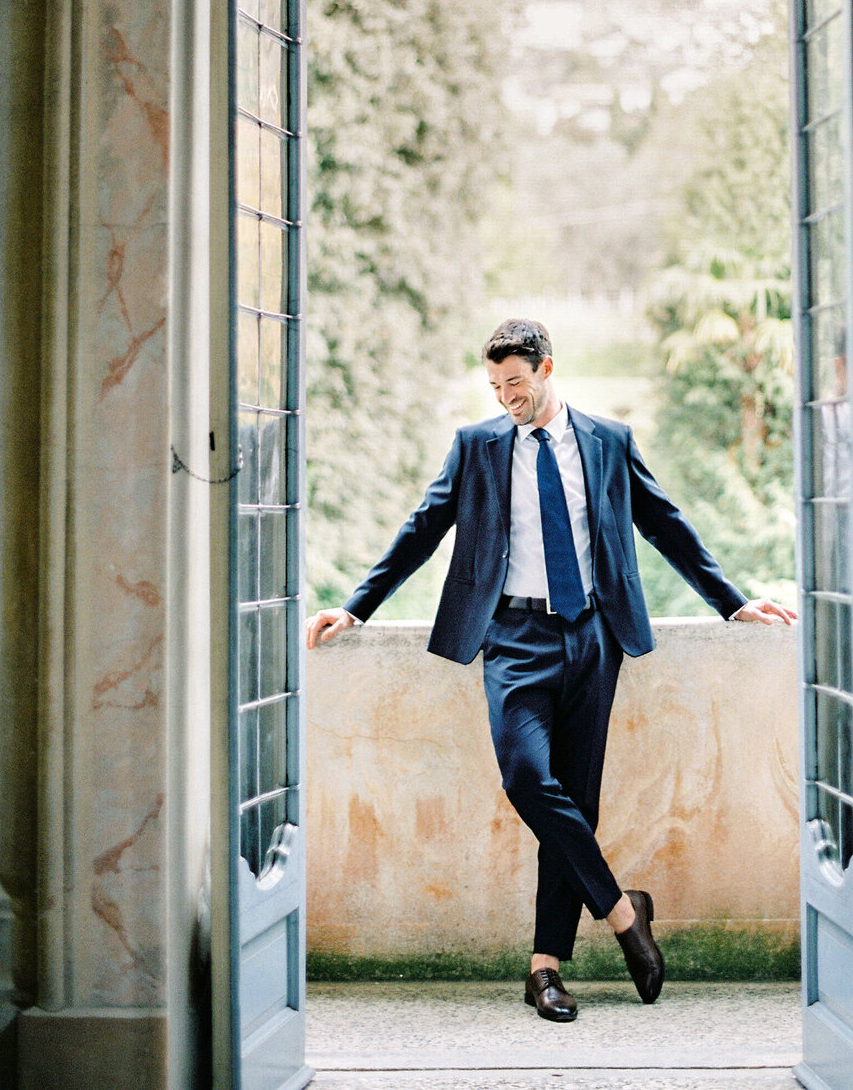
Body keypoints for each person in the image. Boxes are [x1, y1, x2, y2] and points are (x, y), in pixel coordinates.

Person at [306, 317, 796, 1023]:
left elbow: (664, 522)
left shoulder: (607, 441)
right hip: (513, 635)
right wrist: (357, 608)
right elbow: (423, 525)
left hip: (594, 633)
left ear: (546, 370)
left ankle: (545, 969)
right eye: (496, 385)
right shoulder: (476, 447)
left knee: (577, 803)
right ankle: (627, 914)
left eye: (516, 381)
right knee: (528, 779)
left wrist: (732, 601)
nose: (507, 395)